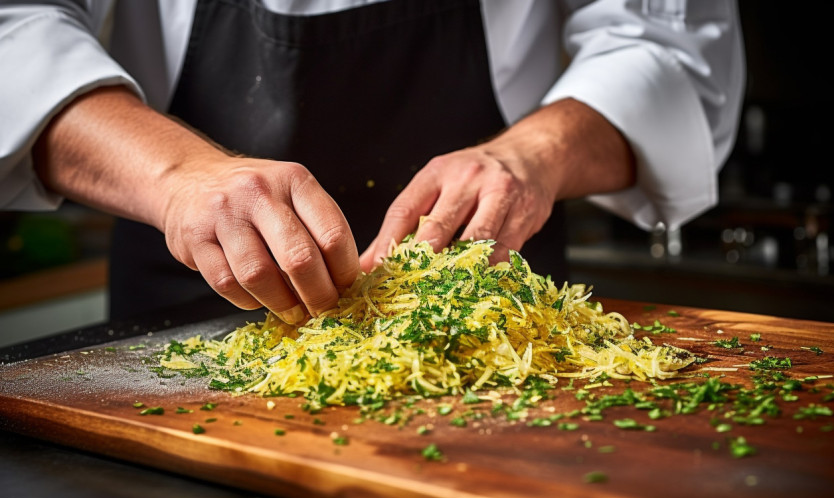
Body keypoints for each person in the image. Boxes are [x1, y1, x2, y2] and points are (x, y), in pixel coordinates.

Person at [0, 0, 744, 325]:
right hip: (180, 311)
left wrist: (531, 157)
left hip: (495, 311)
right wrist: (174, 176)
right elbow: (17, 23)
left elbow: (668, 43)